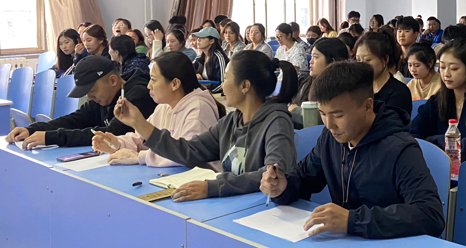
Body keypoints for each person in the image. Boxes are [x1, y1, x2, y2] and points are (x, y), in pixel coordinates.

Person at [260, 61, 444, 239]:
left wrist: (352, 220)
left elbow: (430, 214)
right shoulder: (330, 139)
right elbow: (304, 178)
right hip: (345, 244)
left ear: (367, 106)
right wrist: (283, 187)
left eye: (338, 115)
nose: (329, 125)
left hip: (389, 247)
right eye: (323, 114)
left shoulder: (400, 148)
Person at [113, 50, 296, 202]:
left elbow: (273, 174)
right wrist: (139, 124)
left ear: (245, 86)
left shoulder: (277, 122)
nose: (222, 86)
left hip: (262, 209)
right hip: (232, 204)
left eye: (226, 79)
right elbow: (188, 151)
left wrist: (213, 187)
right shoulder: (230, 122)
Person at [92, 52, 225, 168]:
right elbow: (142, 138)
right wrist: (117, 143)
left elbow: (187, 156)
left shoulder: (199, 108)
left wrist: (140, 157)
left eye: (153, 80)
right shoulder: (164, 106)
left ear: (174, 84)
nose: (149, 86)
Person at [6, 55, 156, 149]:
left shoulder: (138, 95)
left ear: (112, 81)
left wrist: (50, 137)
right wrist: (32, 129)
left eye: (92, 91)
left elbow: (111, 134)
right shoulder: (102, 98)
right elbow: (74, 120)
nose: (90, 97)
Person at [412, 39, 466, 157]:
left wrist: (430, 141)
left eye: (454, 68)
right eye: (442, 67)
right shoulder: (437, 101)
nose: (446, 74)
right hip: (438, 166)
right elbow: (412, 134)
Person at [291, 38, 350, 127]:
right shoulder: (308, 81)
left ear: (332, 61)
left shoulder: (340, 87)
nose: (311, 62)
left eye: (316, 57)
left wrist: (295, 111)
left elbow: (318, 120)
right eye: (311, 57)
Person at [356, 29, 413, 115]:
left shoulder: (399, 93)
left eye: (367, 60)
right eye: (358, 60)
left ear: (385, 59)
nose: (361, 65)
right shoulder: (357, 88)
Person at [192, 27, 229, 94]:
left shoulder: (219, 57)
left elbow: (223, 82)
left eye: (202, 38)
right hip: (205, 93)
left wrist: (208, 91)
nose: (198, 40)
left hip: (218, 94)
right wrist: (196, 75)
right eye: (198, 38)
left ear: (211, 41)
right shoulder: (200, 58)